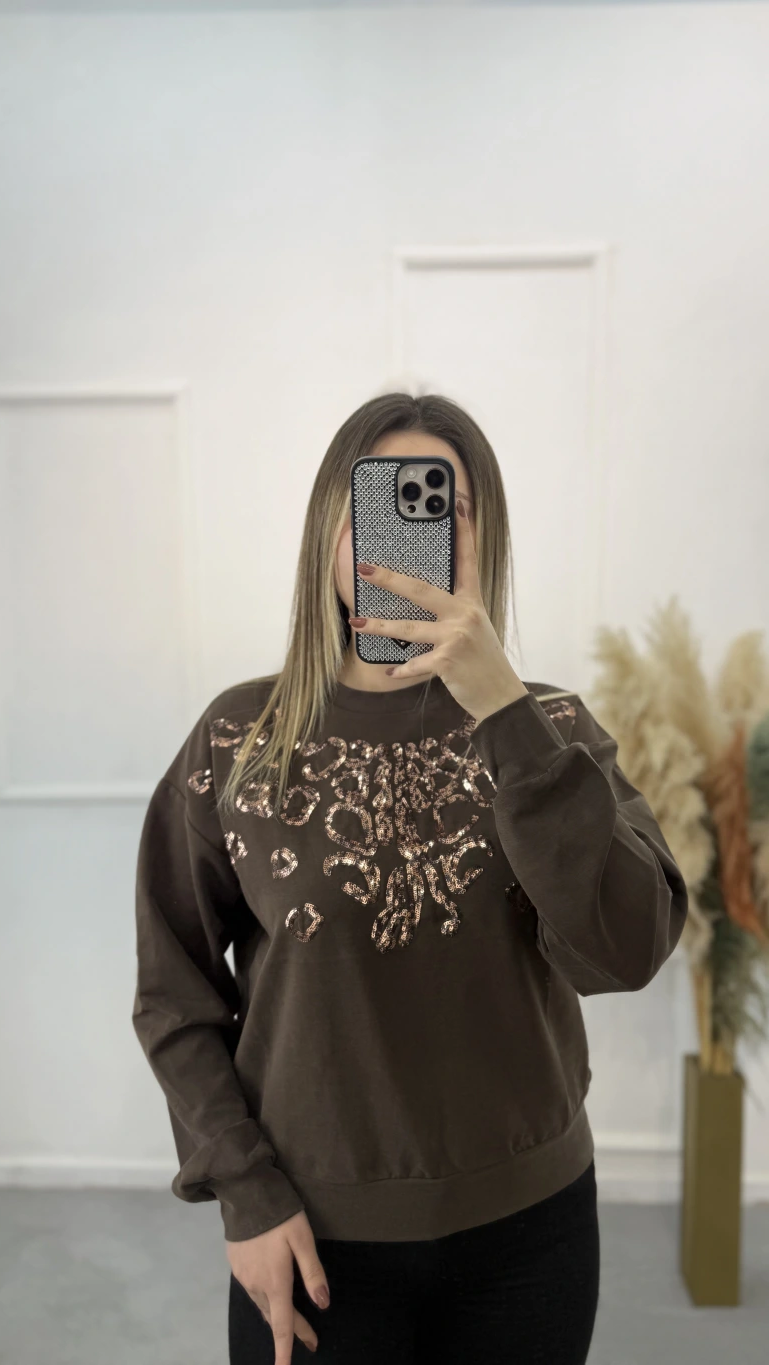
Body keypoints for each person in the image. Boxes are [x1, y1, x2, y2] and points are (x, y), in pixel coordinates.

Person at [131, 392, 688, 1365]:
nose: (405, 534)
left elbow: (626, 947)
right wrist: (245, 1193)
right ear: (329, 533)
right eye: (376, 502)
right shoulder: (240, 740)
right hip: (310, 1236)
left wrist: (503, 712)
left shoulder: (552, 729)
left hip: (531, 1234)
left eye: (443, 508)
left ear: (480, 543)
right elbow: (173, 989)